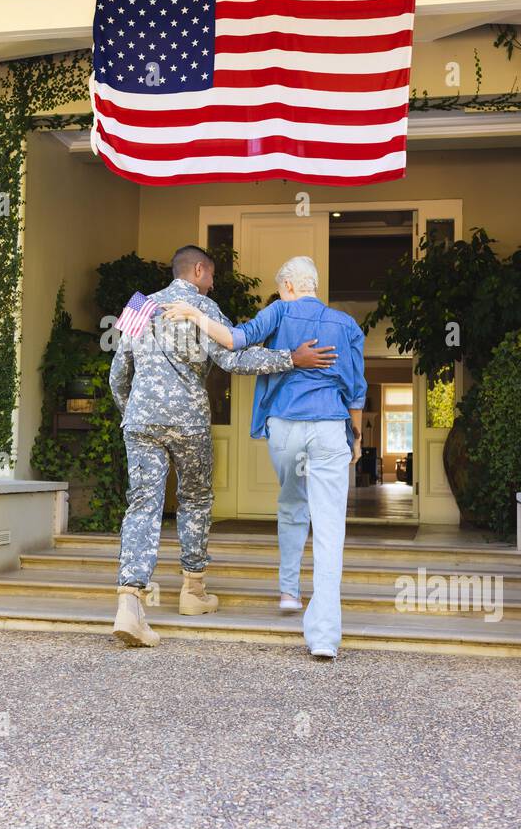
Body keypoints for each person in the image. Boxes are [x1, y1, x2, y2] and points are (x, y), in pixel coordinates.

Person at [108, 245, 337, 649]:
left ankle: (130, 604)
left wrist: (134, 412)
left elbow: (117, 373)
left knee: (142, 503)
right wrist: (291, 359)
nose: (212, 285)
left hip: (140, 420)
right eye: (211, 276)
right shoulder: (203, 309)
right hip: (189, 422)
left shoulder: (138, 305)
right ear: (198, 270)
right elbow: (235, 360)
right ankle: (192, 591)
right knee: (195, 500)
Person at [163, 254, 366, 660]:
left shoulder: (278, 310)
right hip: (329, 427)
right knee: (329, 527)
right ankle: (324, 636)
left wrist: (193, 314)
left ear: (288, 287)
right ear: (312, 284)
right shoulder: (346, 325)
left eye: (280, 289)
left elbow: (235, 340)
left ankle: (289, 590)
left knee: (293, 501)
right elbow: (355, 388)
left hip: (286, 428)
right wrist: (355, 438)